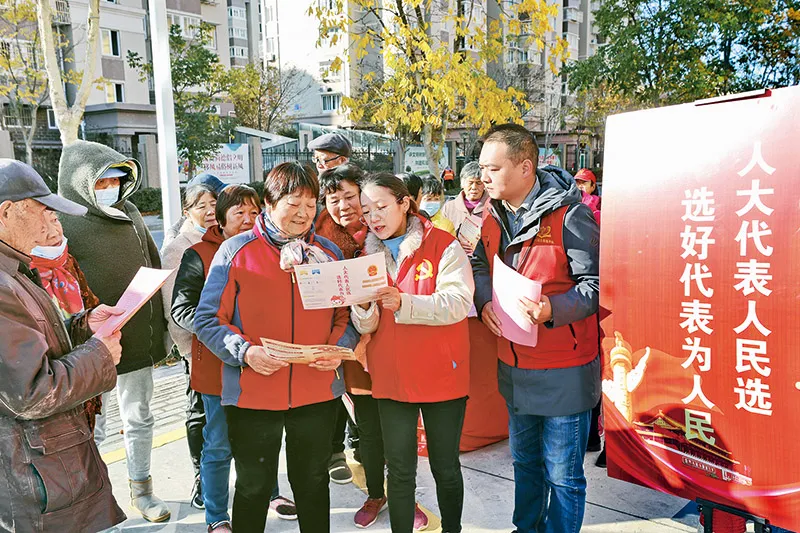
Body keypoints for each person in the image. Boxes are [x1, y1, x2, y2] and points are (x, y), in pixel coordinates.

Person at [195, 162, 358, 533]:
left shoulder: (329, 253)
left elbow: (344, 316)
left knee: (313, 482)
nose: (303, 213)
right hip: (253, 392)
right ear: (268, 202)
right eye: (293, 203)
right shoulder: (236, 251)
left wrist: (336, 348)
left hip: (316, 390)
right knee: (252, 485)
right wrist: (245, 353)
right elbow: (208, 319)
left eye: (310, 203)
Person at [472, 124, 600, 533]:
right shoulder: (493, 217)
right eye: (481, 168)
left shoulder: (569, 215)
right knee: (525, 462)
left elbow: (598, 284)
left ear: (525, 167)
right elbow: (478, 265)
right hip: (513, 364)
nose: (483, 178)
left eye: (492, 169)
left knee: (563, 476)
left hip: (564, 366)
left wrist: (552, 309)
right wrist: (484, 299)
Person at [0, 159, 126, 532]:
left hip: (41, 471)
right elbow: (31, 391)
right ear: (7, 212)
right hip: (30, 481)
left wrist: (84, 326)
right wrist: (100, 355)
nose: (49, 224)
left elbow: (36, 346)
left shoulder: (14, 269)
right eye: (42, 212)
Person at [351, 173, 474, 533]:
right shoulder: (366, 255)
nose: (373, 217)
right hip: (391, 375)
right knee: (401, 469)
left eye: (381, 207)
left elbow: (457, 302)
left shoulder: (443, 245)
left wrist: (405, 302)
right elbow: (368, 325)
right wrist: (362, 309)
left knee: (445, 465)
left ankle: (453, 529)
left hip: (441, 374)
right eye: (366, 210)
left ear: (404, 203)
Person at [171, 185, 296, 532]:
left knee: (265, 437)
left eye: (254, 212)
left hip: (265, 362)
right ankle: (216, 516)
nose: (247, 219)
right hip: (218, 365)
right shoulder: (199, 254)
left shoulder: (274, 250)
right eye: (239, 213)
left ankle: (271, 493)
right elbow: (181, 310)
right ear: (221, 220)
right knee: (218, 443)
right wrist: (224, 331)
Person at [58, 140, 171, 523]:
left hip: (136, 339)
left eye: (119, 180)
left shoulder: (132, 212)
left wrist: (162, 334)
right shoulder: (65, 221)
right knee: (93, 426)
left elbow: (153, 264)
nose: (113, 188)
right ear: (81, 182)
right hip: (90, 345)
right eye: (104, 180)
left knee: (139, 417)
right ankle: (94, 497)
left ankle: (142, 490)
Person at [317, 165, 429, 529]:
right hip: (352, 350)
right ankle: (376, 492)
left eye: (351, 197)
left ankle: (404, 495)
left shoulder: (381, 234)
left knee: (399, 428)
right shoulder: (318, 241)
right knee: (368, 430)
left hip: (390, 343)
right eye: (335, 200)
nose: (345, 206)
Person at [160, 183, 218, 508]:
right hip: (195, 348)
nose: (209, 211)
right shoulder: (178, 249)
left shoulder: (225, 239)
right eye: (201, 205)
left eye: (213, 204)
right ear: (187, 211)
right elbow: (175, 310)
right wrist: (189, 354)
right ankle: (201, 477)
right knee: (199, 413)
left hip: (223, 348)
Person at [30, 210, 105, 431]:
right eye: (42, 226)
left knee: (94, 437)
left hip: (85, 369)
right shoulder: (20, 274)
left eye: (54, 220)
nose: (54, 232)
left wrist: (92, 320)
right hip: (54, 388)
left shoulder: (66, 260)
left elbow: (86, 302)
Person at [162, 173, 228, 251]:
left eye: (213, 204)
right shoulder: (178, 247)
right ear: (187, 213)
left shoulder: (230, 231)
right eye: (202, 207)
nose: (211, 211)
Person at [441, 161, 490, 235]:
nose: (474, 187)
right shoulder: (449, 208)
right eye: (470, 183)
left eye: (478, 183)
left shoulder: (493, 206)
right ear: (462, 183)